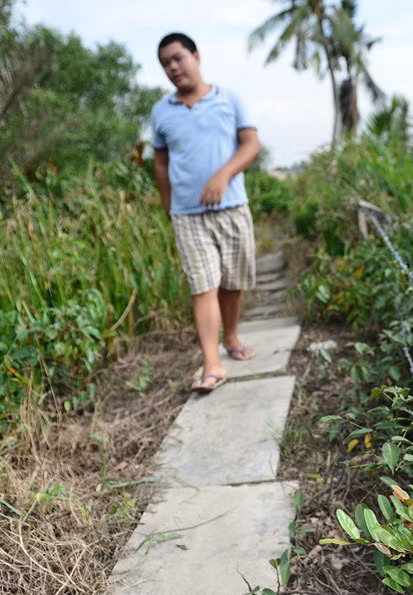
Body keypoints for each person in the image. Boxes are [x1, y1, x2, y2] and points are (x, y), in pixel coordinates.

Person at [151, 33, 260, 393]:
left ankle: (231, 336)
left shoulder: (229, 99)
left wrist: (223, 175)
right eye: (166, 63)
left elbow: (251, 144)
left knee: (232, 283)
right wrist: (168, 204)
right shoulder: (162, 111)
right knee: (203, 286)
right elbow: (161, 161)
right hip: (187, 215)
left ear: (196, 56)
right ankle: (212, 364)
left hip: (231, 209)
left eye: (178, 58)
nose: (173, 67)